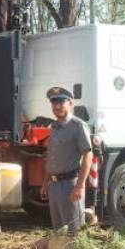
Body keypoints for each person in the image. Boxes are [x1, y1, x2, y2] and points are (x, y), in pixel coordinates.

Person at [41, 87, 93, 236]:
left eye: (61, 102)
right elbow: (52, 158)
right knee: (59, 232)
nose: (57, 106)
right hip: (54, 186)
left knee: (74, 231)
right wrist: (45, 183)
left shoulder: (78, 126)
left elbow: (88, 156)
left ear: (70, 103)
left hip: (70, 185)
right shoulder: (55, 127)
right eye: (54, 103)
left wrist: (80, 185)